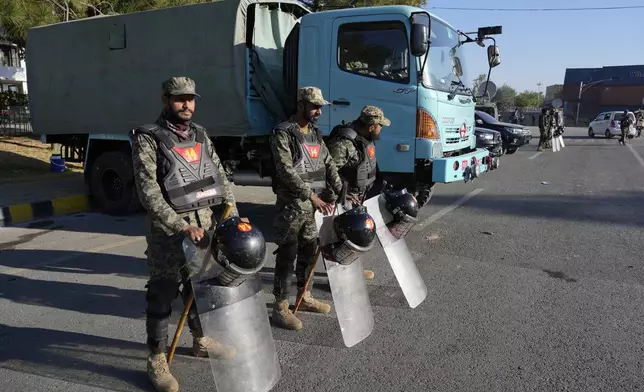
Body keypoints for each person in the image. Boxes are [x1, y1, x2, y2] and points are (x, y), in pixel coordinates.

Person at [131, 76, 239, 392]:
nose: (186, 104)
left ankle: (201, 339)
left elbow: (219, 175)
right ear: (166, 100)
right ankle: (156, 359)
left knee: (199, 288)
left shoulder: (201, 136)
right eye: (179, 99)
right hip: (169, 232)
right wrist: (181, 226)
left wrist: (230, 208)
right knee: (163, 293)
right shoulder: (149, 139)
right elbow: (148, 191)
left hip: (203, 227)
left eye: (190, 98)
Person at [269, 86, 344, 331]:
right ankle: (280, 307)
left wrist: (337, 186)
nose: (318, 111)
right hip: (292, 206)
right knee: (287, 255)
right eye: (314, 106)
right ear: (300, 105)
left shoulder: (315, 133)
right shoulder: (283, 133)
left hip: (314, 206)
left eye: (320, 107)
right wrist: (311, 196)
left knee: (310, 252)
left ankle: (305, 296)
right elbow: (285, 170)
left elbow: (328, 161)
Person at [326, 105, 391, 281]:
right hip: (343, 197)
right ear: (371, 126)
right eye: (380, 126)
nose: (381, 129)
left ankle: (351, 269)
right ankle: (339, 278)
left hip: (358, 196)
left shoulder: (366, 138)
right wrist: (342, 194)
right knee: (340, 240)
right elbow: (328, 172)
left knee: (355, 236)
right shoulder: (345, 143)